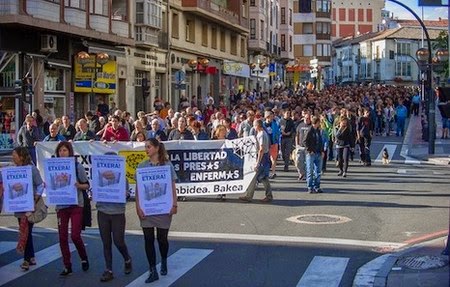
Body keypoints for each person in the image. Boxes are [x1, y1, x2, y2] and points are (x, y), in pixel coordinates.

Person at [135, 138, 178, 283]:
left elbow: (172, 187)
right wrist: (138, 207)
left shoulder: (167, 165)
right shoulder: (141, 166)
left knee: (162, 239)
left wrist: (174, 205)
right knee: (148, 239)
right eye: (145, 147)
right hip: (147, 209)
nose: (146, 149)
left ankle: (164, 259)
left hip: (163, 208)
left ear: (157, 148)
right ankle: (152, 269)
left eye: (149, 147)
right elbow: (138, 190)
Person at [0, 147, 44, 271]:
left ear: (22, 157)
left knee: (26, 231)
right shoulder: (13, 169)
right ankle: (31, 256)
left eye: (15, 155)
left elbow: (40, 185)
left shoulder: (32, 169)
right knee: (25, 231)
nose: (13, 157)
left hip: (30, 206)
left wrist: (35, 199)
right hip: (19, 207)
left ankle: (26, 260)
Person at [54, 141, 90, 276]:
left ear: (70, 152)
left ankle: (84, 257)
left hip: (76, 204)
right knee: (62, 237)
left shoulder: (77, 166)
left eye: (65, 150)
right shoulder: (54, 167)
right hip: (61, 206)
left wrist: (78, 185)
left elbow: (86, 185)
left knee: (75, 235)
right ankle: (67, 265)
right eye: (60, 151)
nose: (62, 153)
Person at [96, 152, 132, 282]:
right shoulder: (98, 177)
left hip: (117, 213)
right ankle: (108, 270)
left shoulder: (123, 178)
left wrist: (126, 194)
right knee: (106, 242)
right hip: (103, 211)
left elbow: (127, 195)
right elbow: (93, 191)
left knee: (118, 241)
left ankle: (127, 258)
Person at [239, 119, 273, 203]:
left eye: (254, 125)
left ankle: (249, 196)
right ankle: (268, 195)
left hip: (262, 158)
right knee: (263, 178)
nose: (253, 127)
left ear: (257, 126)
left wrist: (258, 162)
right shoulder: (263, 133)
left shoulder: (261, 134)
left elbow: (261, 149)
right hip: (264, 157)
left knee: (254, 176)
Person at [303, 116, 324, 193]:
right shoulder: (309, 130)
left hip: (318, 152)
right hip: (311, 153)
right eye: (318, 123)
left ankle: (317, 186)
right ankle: (310, 187)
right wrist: (309, 150)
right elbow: (305, 141)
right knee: (310, 171)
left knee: (318, 171)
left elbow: (320, 141)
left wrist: (322, 150)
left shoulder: (318, 131)